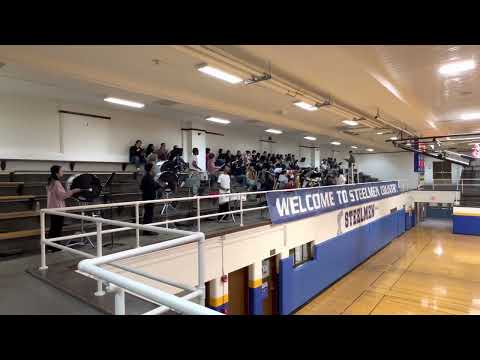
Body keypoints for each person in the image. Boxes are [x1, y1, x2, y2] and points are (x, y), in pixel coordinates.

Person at [46, 165, 82, 252]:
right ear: (57, 172)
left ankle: (51, 246)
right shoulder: (56, 183)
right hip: (58, 209)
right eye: (61, 171)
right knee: (57, 229)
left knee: (53, 228)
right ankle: (56, 247)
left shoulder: (51, 181)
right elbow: (62, 196)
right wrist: (74, 191)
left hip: (52, 208)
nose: (63, 172)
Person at [140, 163, 160, 236]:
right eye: (154, 168)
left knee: (148, 214)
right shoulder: (149, 177)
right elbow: (153, 187)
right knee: (149, 214)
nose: (155, 170)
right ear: (151, 169)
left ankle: (147, 230)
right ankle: (148, 231)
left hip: (146, 197)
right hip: (149, 198)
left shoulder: (146, 177)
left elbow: (141, 187)